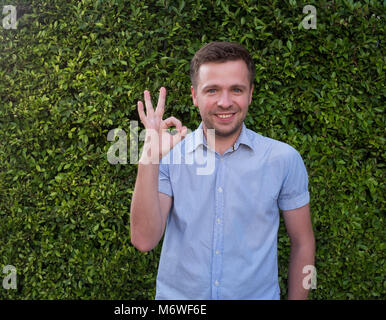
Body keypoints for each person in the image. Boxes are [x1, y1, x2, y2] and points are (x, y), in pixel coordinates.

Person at [130, 41, 315, 300]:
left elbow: (303, 242)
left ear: (250, 93)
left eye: (236, 89)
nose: (225, 102)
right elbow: (144, 240)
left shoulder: (283, 159)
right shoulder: (170, 158)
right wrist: (149, 158)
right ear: (195, 96)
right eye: (212, 90)